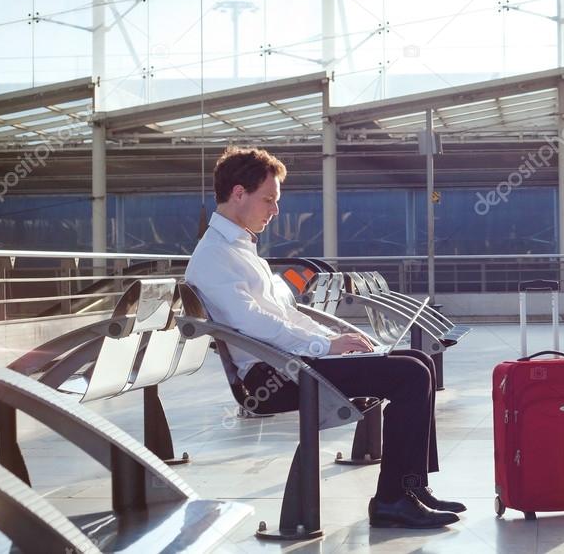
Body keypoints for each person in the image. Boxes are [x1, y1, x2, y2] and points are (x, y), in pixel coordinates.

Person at [185, 146, 465, 529]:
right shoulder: (215, 256)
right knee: (411, 376)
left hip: (289, 361)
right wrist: (325, 347)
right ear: (238, 193)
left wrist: (338, 338)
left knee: (417, 362)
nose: (275, 210)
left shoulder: (242, 250)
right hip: (271, 376)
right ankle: (392, 500)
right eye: (269, 199)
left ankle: (412, 486)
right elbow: (252, 323)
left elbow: (286, 315)